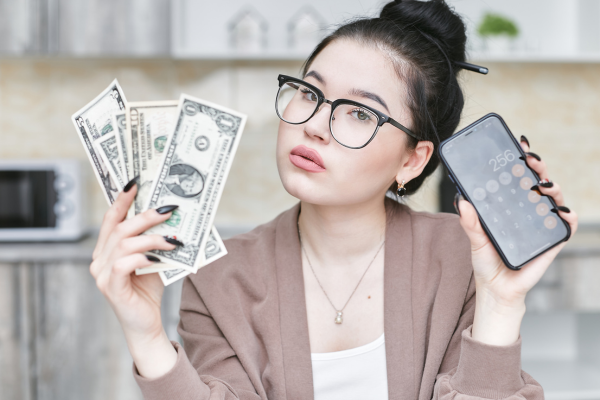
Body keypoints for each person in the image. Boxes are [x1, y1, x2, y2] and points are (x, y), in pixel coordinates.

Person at [90, 1, 578, 399]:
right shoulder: (218, 277)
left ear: (412, 160)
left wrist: (500, 300)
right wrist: (148, 336)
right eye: (309, 92)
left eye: (360, 114)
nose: (314, 124)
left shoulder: (467, 259)